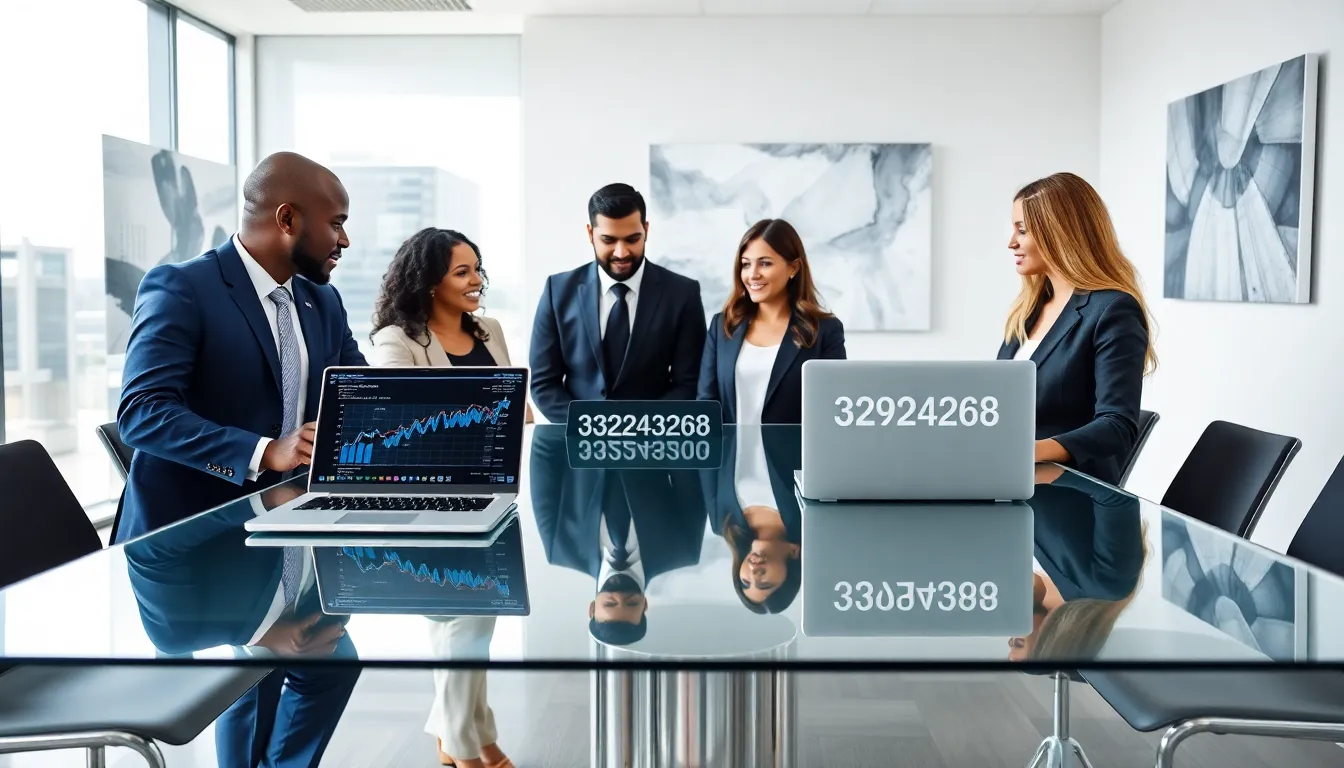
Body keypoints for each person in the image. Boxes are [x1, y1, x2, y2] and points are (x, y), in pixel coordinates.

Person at [116, 151, 366, 542]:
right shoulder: (182, 288)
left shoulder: (323, 301)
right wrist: (266, 452)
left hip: (293, 522)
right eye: (336, 224)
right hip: (191, 536)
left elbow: (362, 393)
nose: (344, 241)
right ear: (287, 219)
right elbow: (142, 412)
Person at [366, 227, 519, 767]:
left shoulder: (489, 331)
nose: (477, 280)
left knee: (478, 616)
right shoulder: (397, 340)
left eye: (477, 269)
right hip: (428, 503)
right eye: (462, 271)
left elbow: (514, 410)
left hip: (491, 495)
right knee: (463, 617)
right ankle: (461, 741)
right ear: (429, 282)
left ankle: (471, 731)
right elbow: (396, 421)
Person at [123, 482, 360, 768]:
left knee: (335, 663)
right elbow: (149, 554)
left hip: (294, 569)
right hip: (221, 588)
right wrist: (258, 634)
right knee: (255, 675)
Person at [997, 172, 1157, 486]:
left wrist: (1031, 451)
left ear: (1058, 232)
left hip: (1072, 493)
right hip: (1014, 481)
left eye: (1022, 231)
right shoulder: (1028, 310)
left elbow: (1117, 425)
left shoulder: (1113, 309)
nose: (1011, 242)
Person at [529, 183, 707, 422]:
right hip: (578, 438)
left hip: (654, 439)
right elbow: (544, 384)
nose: (621, 253)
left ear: (646, 230)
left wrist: (640, 427)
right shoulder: (558, 291)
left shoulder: (683, 294)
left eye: (633, 239)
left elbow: (690, 383)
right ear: (590, 234)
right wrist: (590, 427)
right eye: (608, 240)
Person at [529, 428, 706, 646]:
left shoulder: (559, 548)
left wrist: (574, 419)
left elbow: (544, 454)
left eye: (610, 603)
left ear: (592, 608)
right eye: (631, 603)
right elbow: (687, 464)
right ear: (645, 605)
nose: (621, 595)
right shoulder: (683, 550)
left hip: (578, 415)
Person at [698, 219, 846, 424]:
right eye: (746, 264)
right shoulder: (723, 325)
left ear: (793, 268)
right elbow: (706, 404)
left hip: (793, 446)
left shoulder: (824, 330)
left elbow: (832, 410)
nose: (752, 274)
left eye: (765, 263)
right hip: (731, 446)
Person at [1009, 464, 1146, 662]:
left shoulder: (1017, 582)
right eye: (1017, 643)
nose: (1009, 633)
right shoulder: (1106, 585)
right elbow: (1117, 498)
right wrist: (1033, 475)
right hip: (1058, 452)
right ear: (1052, 645)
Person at [704, 425, 803, 613]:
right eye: (765, 584)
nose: (754, 575)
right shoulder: (807, 512)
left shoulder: (722, 523)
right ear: (794, 554)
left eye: (745, 582)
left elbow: (708, 446)